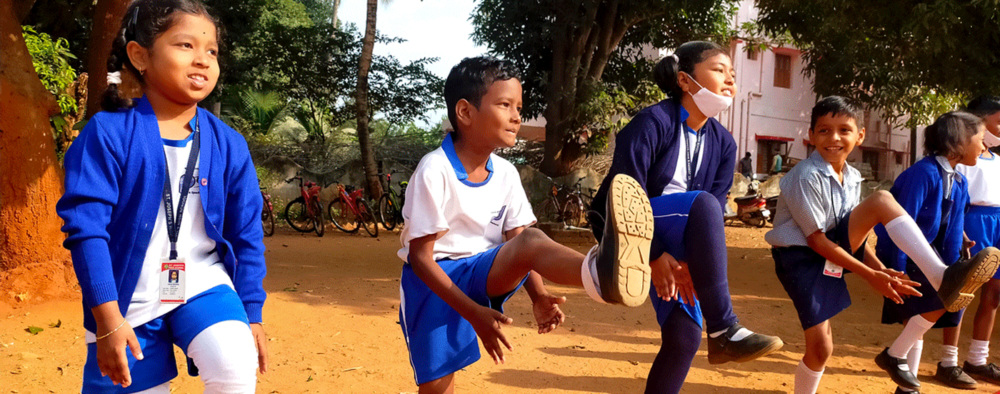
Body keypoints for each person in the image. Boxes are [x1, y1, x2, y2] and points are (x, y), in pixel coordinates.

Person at [398, 56, 656, 393]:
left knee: (531, 239)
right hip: (434, 280)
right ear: (465, 112)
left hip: (484, 269)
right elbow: (420, 258)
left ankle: (600, 273)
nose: (517, 116)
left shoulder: (505, 173)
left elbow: (521, 242)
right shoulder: (434, 170)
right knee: (437, 387)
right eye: (505, 105)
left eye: (519, 106)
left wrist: (539, 295)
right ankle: (601, 272)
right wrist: (475, 313)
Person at [56, 0, 267, 392]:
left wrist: (251, 313)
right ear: (139, 55)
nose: (203, 60)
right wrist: (106, 320)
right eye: (185, 46)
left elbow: (247, 234)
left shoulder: (229, 144)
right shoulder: (107, 133)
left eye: (212, 51)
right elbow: (86, 230)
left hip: (203, 283)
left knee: (234, 362)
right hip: (125, 300)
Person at [765, 97, 1000, 394]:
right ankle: (941, 277)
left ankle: (938, 283)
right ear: (811, 135)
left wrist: (882, 270)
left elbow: (856, 238)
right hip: (801, 259)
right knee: (881, 201)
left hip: (831, 251)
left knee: (821, 349)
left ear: (860, 136)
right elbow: (817, 239)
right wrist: (871, 274)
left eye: (844, 130)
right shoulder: (805, 176)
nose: (834, 138)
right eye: (823, 131)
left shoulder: (851, 176)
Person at [589, 41, 783, 394]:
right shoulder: (652, 122)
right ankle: (724, 328)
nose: (729, 81)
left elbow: (708, 220)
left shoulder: (724, 144)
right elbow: (623, 200)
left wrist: (687, 265)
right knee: (706, 204)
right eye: (719, 70)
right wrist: (653, 256)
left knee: (684, 338)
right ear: (684, 80)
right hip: (626, 233)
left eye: (733, 75)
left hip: (679, 241)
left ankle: (714, 333)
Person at [876, 111, 1000, 394]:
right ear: (958, 141)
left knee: (922, 320)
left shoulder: (959, 181)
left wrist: (959, 259)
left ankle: (905, 382)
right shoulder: (922, 174)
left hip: (932, 258)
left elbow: (955, 228)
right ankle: (901, 373)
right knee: (924, 314)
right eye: (979, 140)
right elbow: (898, 222)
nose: (983, 147)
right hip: (907, 258)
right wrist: (898, 270)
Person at [959, 96, 1000, 384]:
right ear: (981, 121)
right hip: (974, 221)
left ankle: (977, 359)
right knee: (963, 290)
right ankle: (948, 358)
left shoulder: (997, 160)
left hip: (998, 221)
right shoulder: (963, 159)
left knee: (994, 293)